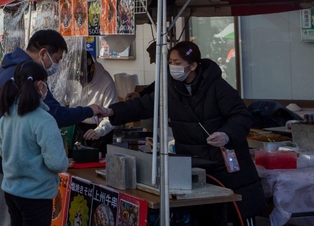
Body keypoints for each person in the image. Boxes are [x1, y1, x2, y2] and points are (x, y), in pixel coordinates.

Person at [104, 41, 266, 225]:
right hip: (193, 166)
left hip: (227, 168)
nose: (173, 67)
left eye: (177, 63)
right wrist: (113, 111)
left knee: (235, 215)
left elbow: (241, 116)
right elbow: (143, 105)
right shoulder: (170, 89)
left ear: (193, 65)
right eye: (170, 62)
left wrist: (226, 134)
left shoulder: (217, 87)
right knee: (203, 217)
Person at [0, 29, 97, 226]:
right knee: (3, 218)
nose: (56, 66)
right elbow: (56, 116)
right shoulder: (29, 92)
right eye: (57, 59)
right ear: (43, 53)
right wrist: (90, 110)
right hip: (5, 169)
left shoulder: (8, 69)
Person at [0, 61, 79, 226]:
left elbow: (2, 150)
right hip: (36, 195)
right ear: (39, 85)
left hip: (11, 191)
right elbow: (57, 164)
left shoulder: (7, 115)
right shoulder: (44, 120)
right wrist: (63, 154)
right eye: (45, 84)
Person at [76, 52, 118, 154]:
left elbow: (111, 113)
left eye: (84, 77)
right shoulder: (74, 78)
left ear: (92, 68)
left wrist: (99, 131)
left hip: (98, 129)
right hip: (77, 125)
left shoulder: (107, 82)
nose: (82, 81)